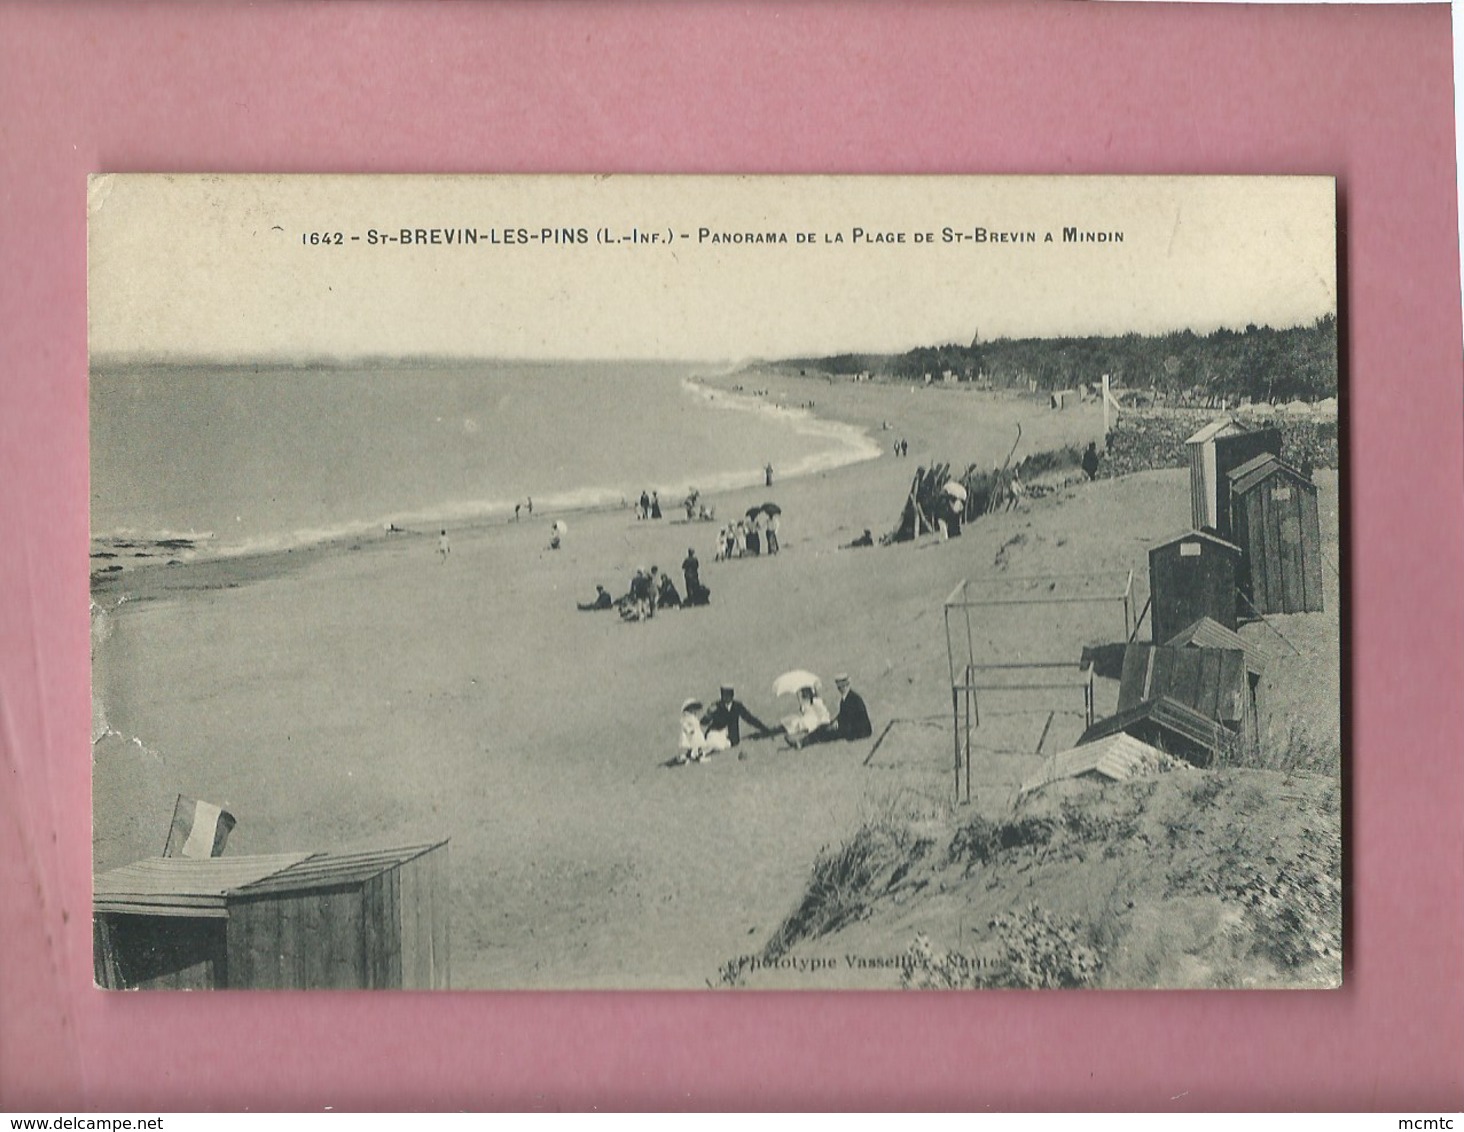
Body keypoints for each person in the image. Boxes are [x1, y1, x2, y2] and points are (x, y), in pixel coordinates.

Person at [806, 674, 874, 744]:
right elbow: (843, 714)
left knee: (829, 733)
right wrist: (834, 721)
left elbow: (851, 718)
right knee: (823, 727)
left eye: (842, 686)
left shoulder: (854, 699)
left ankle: (806, 741)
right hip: (852, 727)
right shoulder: (846, 698)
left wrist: (837, 725)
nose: (841, 689)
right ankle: (805, 740)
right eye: (840, 687)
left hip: (859, 731)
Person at [700, 685, 771, 748]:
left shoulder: (737, 706)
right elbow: (703, 722)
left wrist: (764, 729)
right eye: (723, 695)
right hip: (716, 734)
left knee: (722, 746)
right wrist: (709, 714)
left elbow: (749, 718)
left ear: (732, 696)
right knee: (714, 745)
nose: (725, 698)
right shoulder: (716, 705)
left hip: (732, 738)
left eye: (727, 695)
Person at [677, 699, 730, 764]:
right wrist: (689, 730)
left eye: (694, 708)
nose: (694, 710)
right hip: (691, 735)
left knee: (697, 746)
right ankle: (695, 757)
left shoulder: (693, 716)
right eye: (692, 708)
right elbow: (684, 725)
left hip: (696, 734)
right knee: (694, 746)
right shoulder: (687, 717)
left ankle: (693, 756)